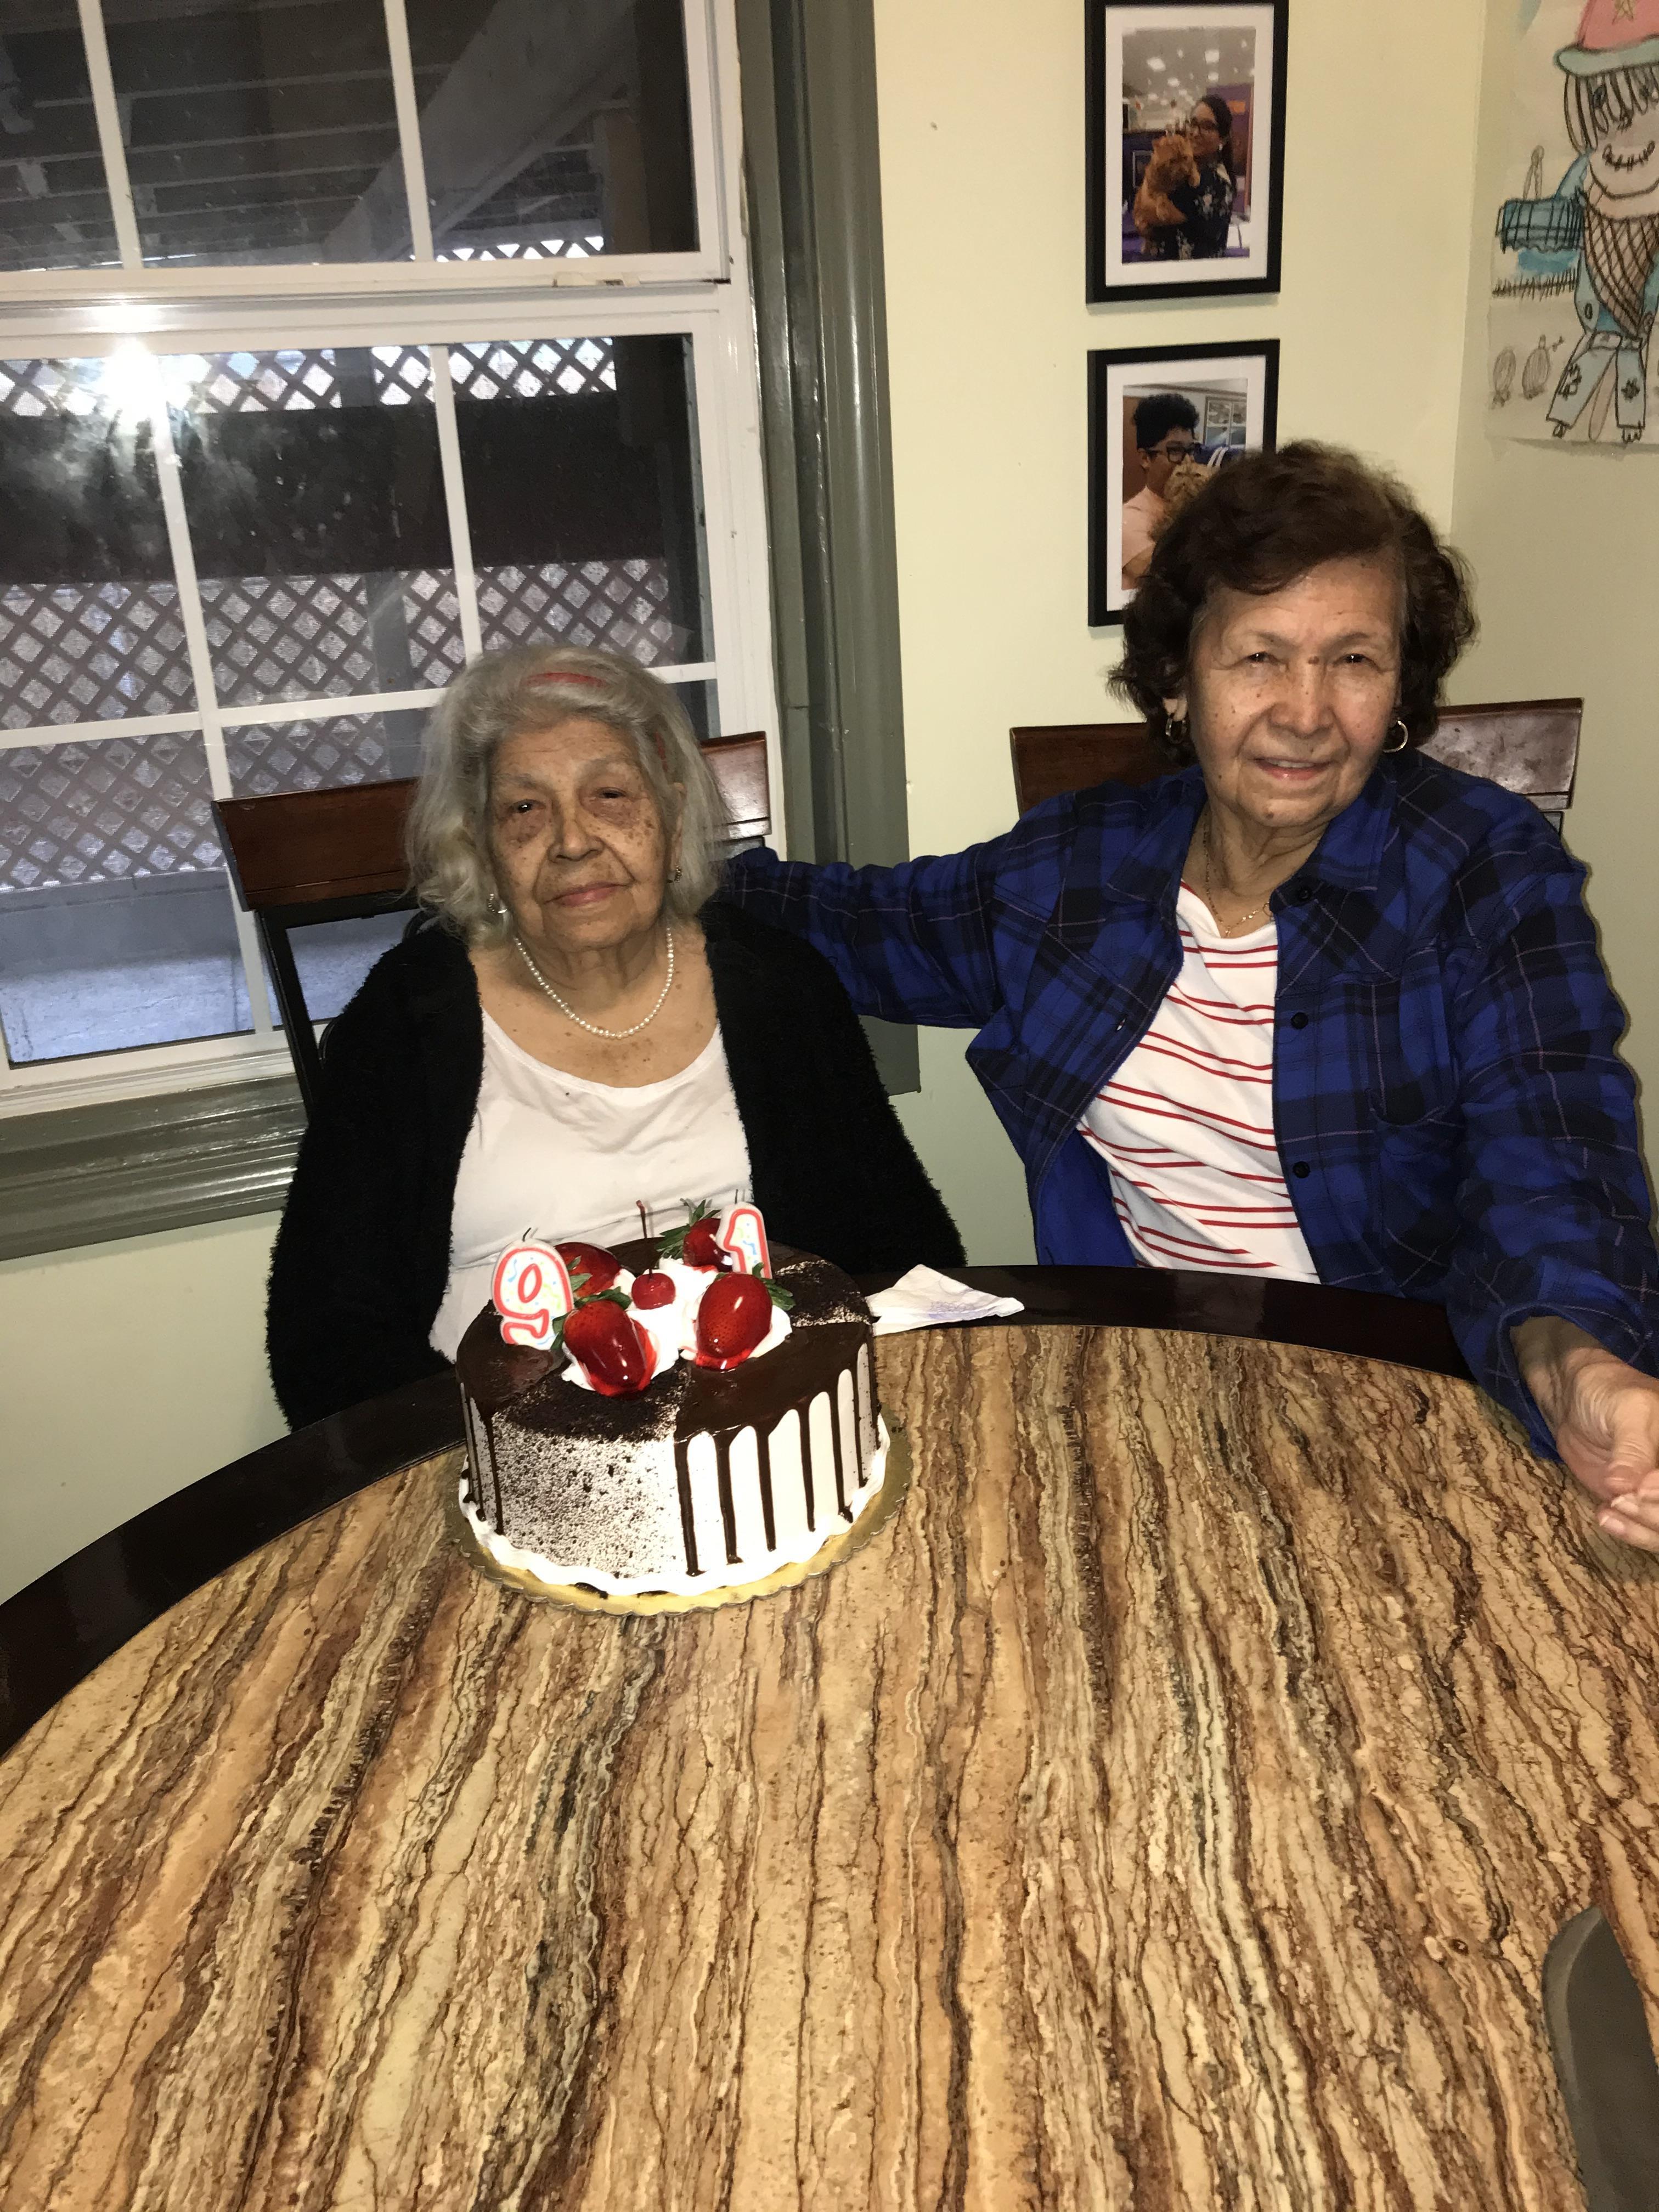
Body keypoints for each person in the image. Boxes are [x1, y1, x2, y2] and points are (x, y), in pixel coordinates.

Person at [720, 442, 1659, 1552]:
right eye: (1259, 657)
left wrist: (1576, 1366)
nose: (1307, 714)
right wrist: (646, 865)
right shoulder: (1078, 873)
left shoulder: (1485, 874)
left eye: (1354, 660)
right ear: (1178, 679)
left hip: (1412, 1401)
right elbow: (858, 927)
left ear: (1399, 684)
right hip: (1142, 1392)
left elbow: (1552, 1156)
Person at [267, 644, 962, 1427]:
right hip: (485, 1450)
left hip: (766, 1430)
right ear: (484, 848)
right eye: (524, 809)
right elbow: (324, 1336)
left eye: (609, 794)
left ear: (669, 813)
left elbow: (900, 1243)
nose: (571, 841)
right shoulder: (408, 1018)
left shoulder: (779, 983)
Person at [1138, 94, 1237, 262]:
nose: (1195, 133)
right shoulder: (1193, 167)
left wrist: (1151, 175)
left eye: (1207, 126)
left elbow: (1148, 212)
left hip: (1190, 277)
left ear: (1223, 138)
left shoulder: (1213, 183)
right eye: (1193, 123)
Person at [1122, 392, 1201, 588]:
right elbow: (1171, 580)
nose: (1187, 462)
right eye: (1175, 451)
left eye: (1191, 451)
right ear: (1145, 459)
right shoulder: (1128, 519)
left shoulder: (1198, 506)